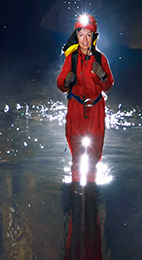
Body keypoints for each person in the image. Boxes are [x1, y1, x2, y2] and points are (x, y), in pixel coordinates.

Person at [56, 13, 115, 168]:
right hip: (76, 107)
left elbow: (108, 86)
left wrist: (103, 76)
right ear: (76, 36)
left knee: (93, 155)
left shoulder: (101, 59)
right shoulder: (72, 59)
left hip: (96, 108)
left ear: (94, 37)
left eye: (88, 35)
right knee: (76, 154)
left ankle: (91, 188)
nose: (85, 39)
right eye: (81, 35)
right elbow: (60, 85)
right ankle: (75, 187)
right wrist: (66, 80)